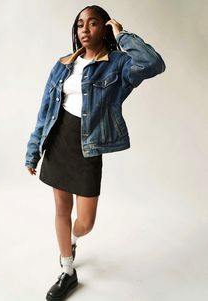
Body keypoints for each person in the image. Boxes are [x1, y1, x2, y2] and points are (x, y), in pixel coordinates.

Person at [25, 5, 166, 301]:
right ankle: (67, 270)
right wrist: (33, 150)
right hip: (58, 141)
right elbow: (44, 110)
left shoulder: (118, 65)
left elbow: (153, 63)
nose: (85, 30)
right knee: (61, 210)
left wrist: (123, 34)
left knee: (86, 222)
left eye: (93, 24)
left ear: (104, 28)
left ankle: (73, 239)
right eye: (79, 25)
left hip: (89, 147)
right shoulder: (63, 64)